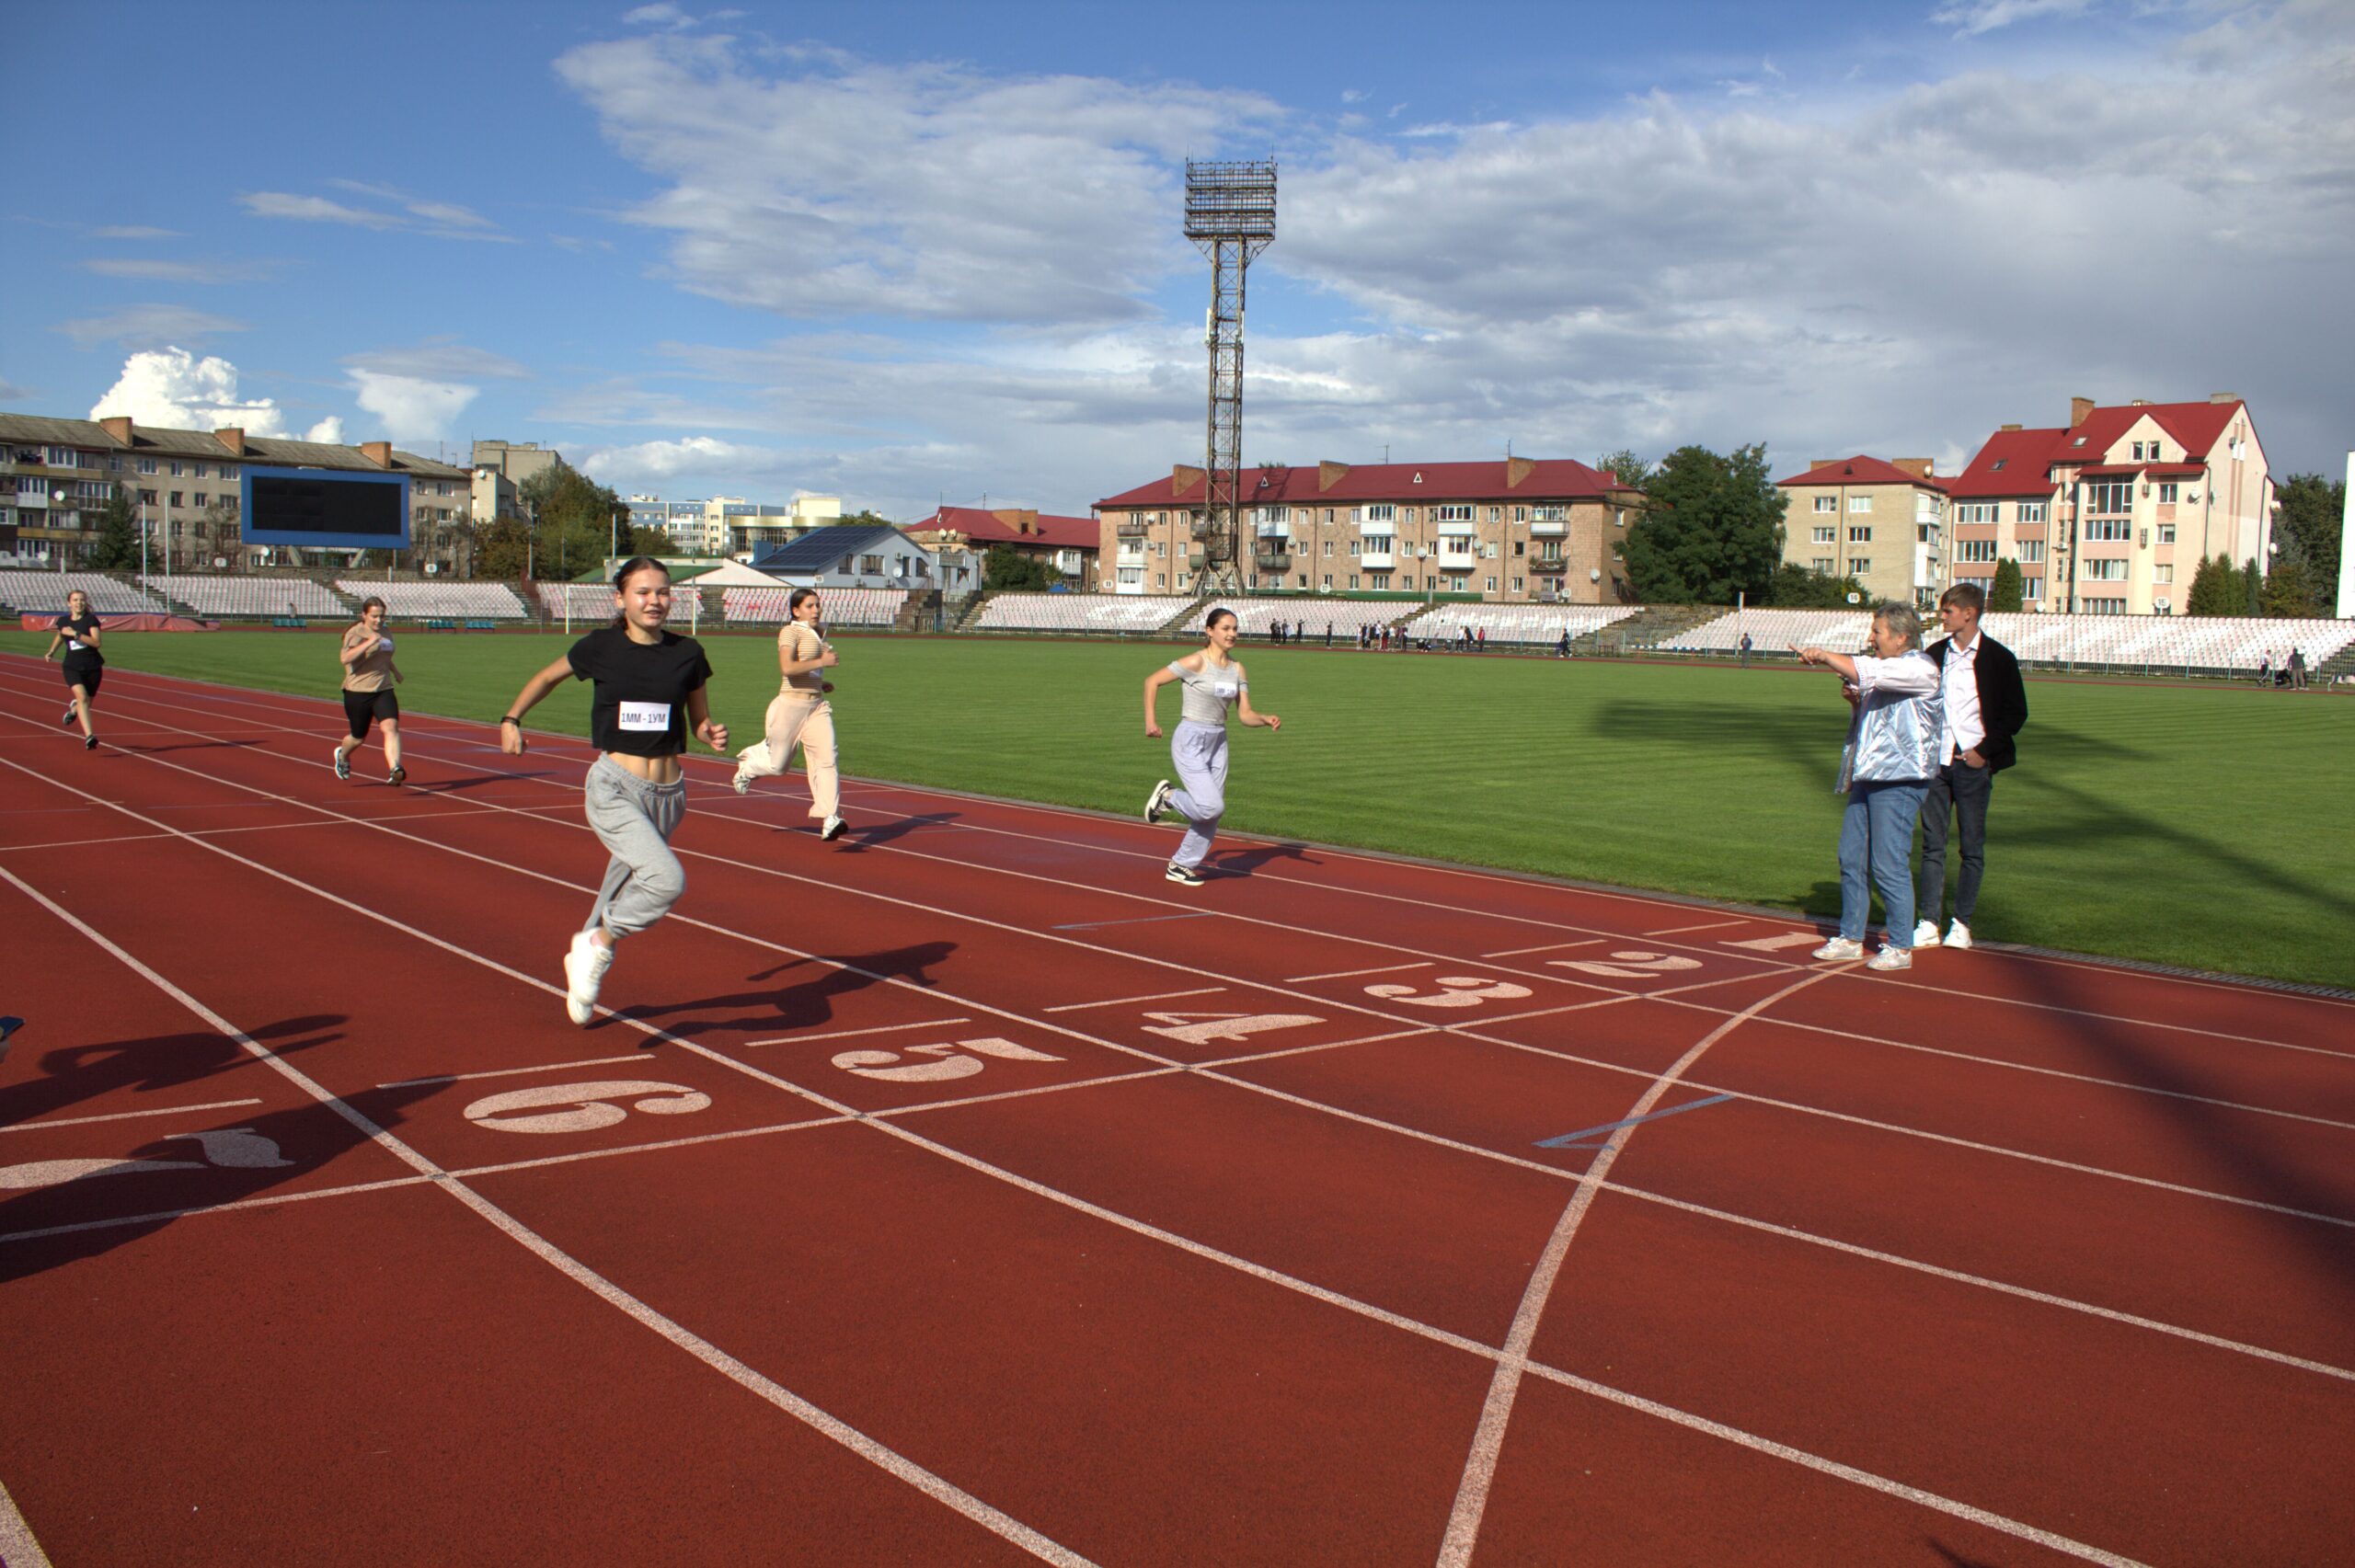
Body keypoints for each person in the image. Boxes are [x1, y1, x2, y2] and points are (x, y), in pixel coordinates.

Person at [499, 557, 728, 1024]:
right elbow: (547, 677)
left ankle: (584, 959)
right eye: (643, 592)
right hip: (615, 786)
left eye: (662, 592)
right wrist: (511, 719)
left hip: (668, 795)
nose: (654, 601)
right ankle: (596, 945)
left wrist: (708, 731)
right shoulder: (601, 646)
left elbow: (697, 716)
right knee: (665, 880)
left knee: (621, 886)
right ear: (620, 599)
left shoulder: (688, 652)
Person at [1794, 602, 1943, 972]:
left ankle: (1900, 945)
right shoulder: (1893, 670)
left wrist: (1824, 655)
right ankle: (1851, 936)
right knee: (1851, 856)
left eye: (1877, 632)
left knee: (1888, 862)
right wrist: (1856, 703)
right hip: (1870, 774)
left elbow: (1871, 671)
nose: (1870, 638)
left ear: (1902, 636)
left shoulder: (1918, 666)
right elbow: (1877, 719)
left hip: (1901, 779)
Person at [1913, 582, 2028, 952]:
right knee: (1932, 845)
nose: (1942, 616)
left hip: (1972, 764)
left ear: (1969, 613)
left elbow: (2015, 712)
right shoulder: (1934, 654)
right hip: (1937, 763)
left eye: (1948, 611)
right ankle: (1929, 921)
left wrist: (1985, 752)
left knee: (1971, 847)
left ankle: (1961, 923)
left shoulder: (1998, 658)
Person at [1141, 607, 1281, 886]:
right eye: (1225, 628)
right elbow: (1152, 681)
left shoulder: (1238, 668)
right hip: (1191, 738)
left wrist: (1264, 718)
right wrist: (1151, 722)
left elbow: (1244, 715)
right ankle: (1168, 796)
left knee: (1212, 814)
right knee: (1211, 807)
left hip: (1218, 741)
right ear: (1209, 631)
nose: (1232, 634)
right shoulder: (1195, 662)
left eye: (1235, 629)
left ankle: (1180, 864)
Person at [730, 587, 846, 841]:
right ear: (796, 610)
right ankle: (748, 766)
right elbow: (787, 667)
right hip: (789, 707)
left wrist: (819, 683)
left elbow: (807, 672)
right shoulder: (790, 631)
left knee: (827, 759)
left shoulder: (817, 632)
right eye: (810, 606)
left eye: (818, 605)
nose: (816, 610)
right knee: (778, 765)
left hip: (816, 707)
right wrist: (822, 662)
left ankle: (830, 817)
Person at [332, 596, 407, 785]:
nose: (379, 620)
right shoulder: (355, 633)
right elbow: (345, 658)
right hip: (358, 691)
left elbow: (384, 654)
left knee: (391, 727)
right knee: (357, 738)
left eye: (381, 616)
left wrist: (395, 671)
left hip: (383, 688)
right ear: (364, 615)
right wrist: (369, 642)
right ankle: (343, 755)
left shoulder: (386, 632)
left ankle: (395, 768)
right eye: (374, 616)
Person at [42, 588, 105, 750]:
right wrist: (51, 651)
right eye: (75, 600)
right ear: (69, 603)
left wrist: (76, 634)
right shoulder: (63, 621)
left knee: (86, 702)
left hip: (93, 666)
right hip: (72, 666)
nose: (79, 603)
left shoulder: (91, 620)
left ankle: (73, 710)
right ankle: (89, 736)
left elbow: (96, 642)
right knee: (82, 697)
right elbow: (61, 635)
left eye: (82, 600)